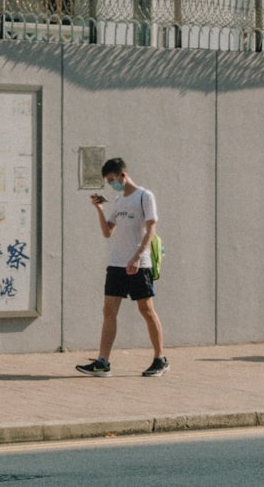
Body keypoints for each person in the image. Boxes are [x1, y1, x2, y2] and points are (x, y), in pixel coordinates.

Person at [77, 157, 168, 378]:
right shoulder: (118, 201)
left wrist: (137, 257)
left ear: (122, 175)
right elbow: (108, 232)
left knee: (146, 310)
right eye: (108, 182)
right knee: (109, 311)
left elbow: (151, 231)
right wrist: (99, 209)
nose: (112, 184)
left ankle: (160, 359)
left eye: (112, 180)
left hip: (139, 264)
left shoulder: (145, 196)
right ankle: (103, 362)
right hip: (117, 264)